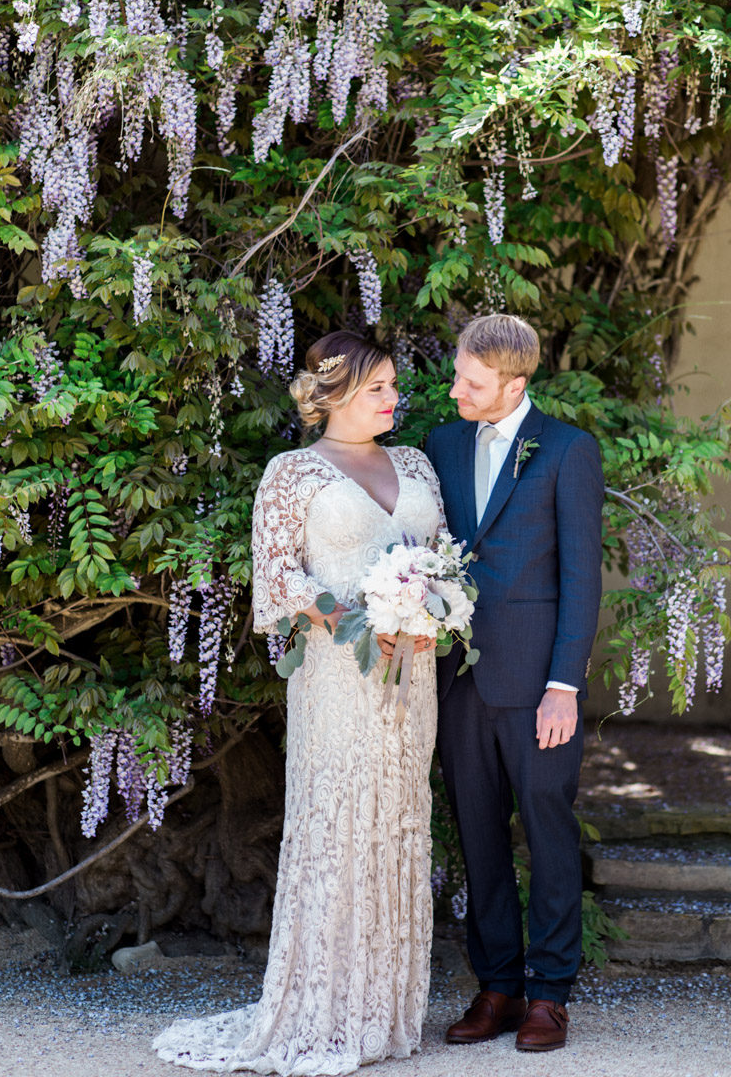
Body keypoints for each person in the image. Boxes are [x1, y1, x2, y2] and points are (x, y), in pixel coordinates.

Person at [153, 331, 444, 1075]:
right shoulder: (291, 474)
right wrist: (355, 614)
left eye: (392, 387)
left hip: (415, 674)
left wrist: (430, 607)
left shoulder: (413, 464)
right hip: (337, 674)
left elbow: (441, 558)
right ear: (334, 393)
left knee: (399, 819)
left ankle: (384, 1012)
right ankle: (322, 1008)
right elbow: (275, 582)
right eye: (378, 387)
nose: (392, 400)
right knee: (340, 820)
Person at [425, 314, 603, 1054]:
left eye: (471, 380)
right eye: (459, 374)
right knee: (477, 835)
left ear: (514, 384)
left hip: (538, 684)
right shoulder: (440, 443)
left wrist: (564, 684)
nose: (457, 388)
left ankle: (549, 995)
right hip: (457, 679)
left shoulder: (567, 450)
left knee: (548, 830)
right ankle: (496, 985)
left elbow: (581, 579)